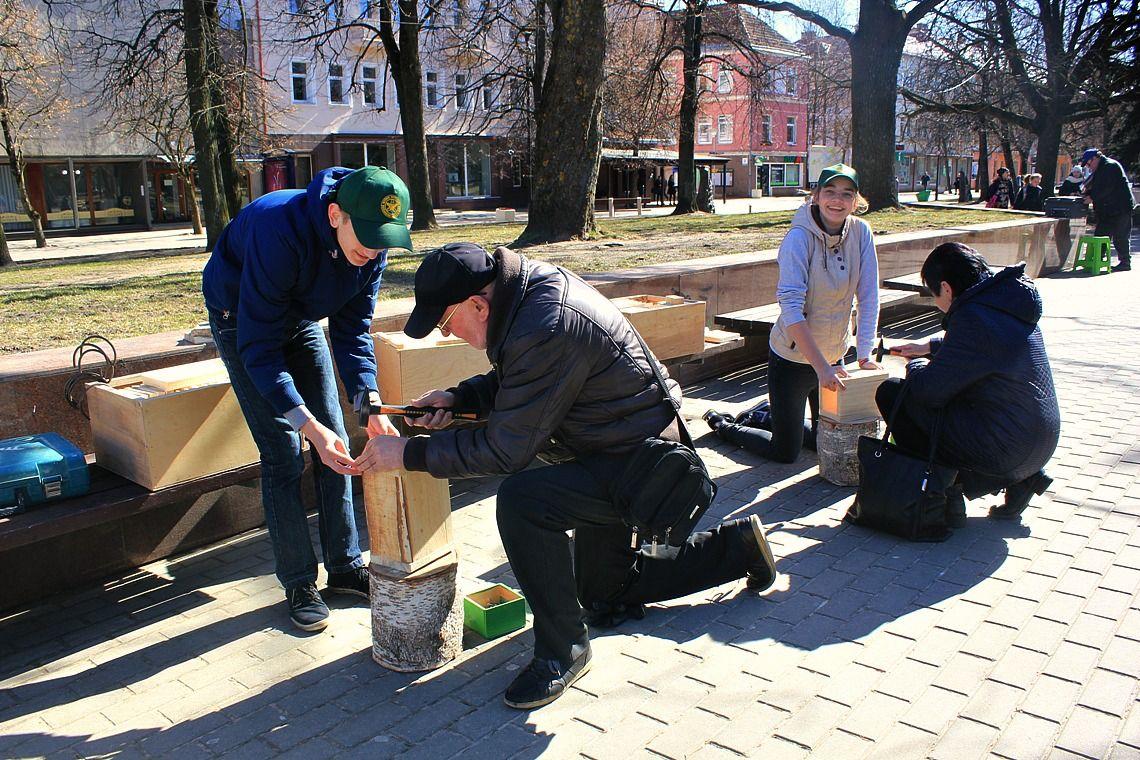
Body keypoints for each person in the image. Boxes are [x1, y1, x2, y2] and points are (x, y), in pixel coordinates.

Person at [350, 242, 779, 709]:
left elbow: (507, 449)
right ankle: (735, 549)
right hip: (615, 447)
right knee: (602, 593)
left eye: (446, 323)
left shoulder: (544, 324)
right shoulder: (527, 295)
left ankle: (563, 651)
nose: (450, 334)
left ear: (477, 303)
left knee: (523, 502)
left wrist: (409, 453)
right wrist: (460, 400)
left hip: (641, 464)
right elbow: (529, 380)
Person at [202, 165, 411, 631]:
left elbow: (353, 331)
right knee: (284, 452)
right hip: (241, 316)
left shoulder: (369, 247)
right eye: (368, 241)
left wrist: (370, 405)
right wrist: (303, 422)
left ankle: (344, 566)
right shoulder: (280, 231)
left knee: (336, 438)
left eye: (383, 242)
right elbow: (258, 347)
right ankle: (299, 581)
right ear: (335, 214)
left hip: (298, 316)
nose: (374, 253)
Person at [703, 164, 880, 462]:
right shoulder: (799, 238)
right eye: (830, 192)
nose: (837, 201)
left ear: (855, 200)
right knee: (786, 452)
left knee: (829, 438)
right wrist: (821, 368)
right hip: (793, 359)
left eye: (846, 194)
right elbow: (791, 310)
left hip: (835, 355)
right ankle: (724, 425)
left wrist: (864, 354)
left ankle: (767, 415)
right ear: (816, 195)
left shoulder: (861, 232)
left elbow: (868, 296)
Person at [878, 242, 1059, 525]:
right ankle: (1023, 480)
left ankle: (946, 493)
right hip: (1038, 442)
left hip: (1006, 449)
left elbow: (928, 392)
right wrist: (930, 347)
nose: (936, 301)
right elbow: (985, 351)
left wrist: (914, 365)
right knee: (962, 395)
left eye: (933, 292)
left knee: (893, 394)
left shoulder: (972, 319)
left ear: (947, 289)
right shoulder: (1005, 302)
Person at [1080, 148, 1135, 272]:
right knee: (1101, 233)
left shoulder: (1110, 166)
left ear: (1095, 158)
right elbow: (1098, 186)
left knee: (1120, 235)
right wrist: (1088, 193)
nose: (1089, 167)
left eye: (1088, 163)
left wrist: (1092, 197)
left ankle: (1125, 262)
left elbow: (1107, 188)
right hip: (1108, 209)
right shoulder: (1101, 168)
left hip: (1121, 207)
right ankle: (1098, 259)